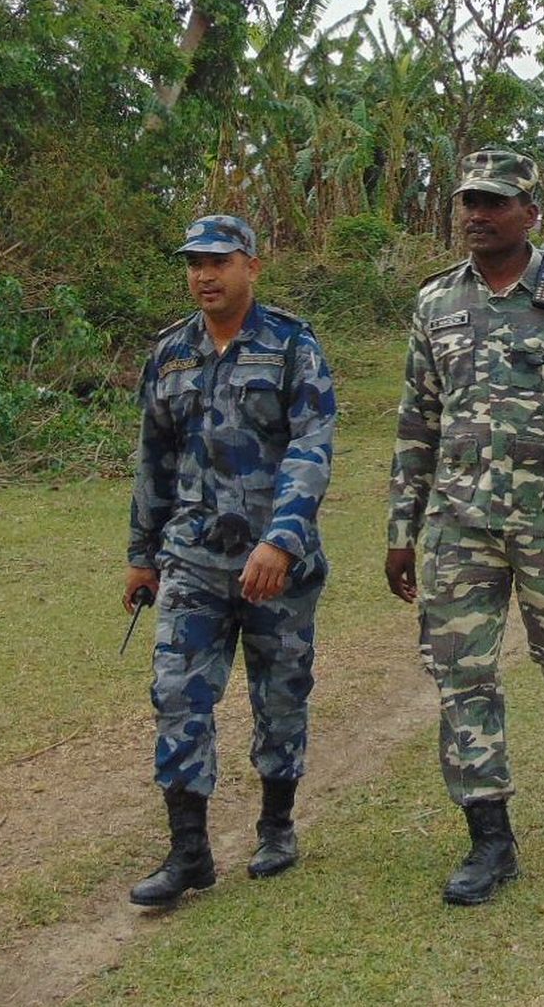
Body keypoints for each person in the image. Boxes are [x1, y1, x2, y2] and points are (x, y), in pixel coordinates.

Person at [385, 149, 544, 906]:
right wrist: (401, 527)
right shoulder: (435, 303)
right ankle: (490, 838)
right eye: (469, 199)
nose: (477, 213)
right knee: (461, 672)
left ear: (531, 214)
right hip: (458, 522)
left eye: (495, 202)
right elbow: (417, 423)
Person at [125, 214, 336, 906]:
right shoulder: (172, 353)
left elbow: (311, 448)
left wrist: (281, 540)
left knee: (279, 696)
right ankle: (189, 853)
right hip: (192, 559)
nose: (204, 276)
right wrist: (141, 555)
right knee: (178, 694)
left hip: (276, 564)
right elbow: (153, 458)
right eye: (193, 263)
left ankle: (276, 824)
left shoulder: (290, 345)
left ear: (252, 265)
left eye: (218, 261)